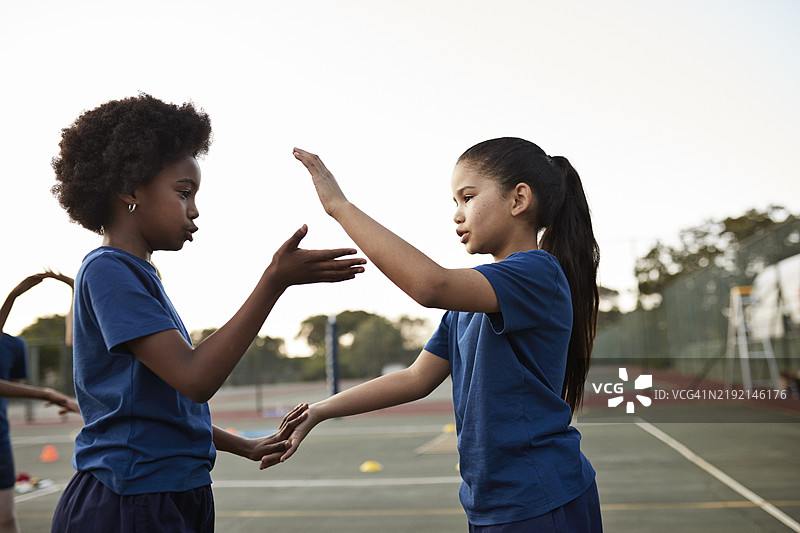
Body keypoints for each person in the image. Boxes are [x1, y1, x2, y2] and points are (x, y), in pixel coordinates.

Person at [48, 94, 366, 532]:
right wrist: (274, 281)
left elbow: (161, 409)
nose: (194, 209)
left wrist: (243, 445)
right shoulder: (108, 270)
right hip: (132, 496)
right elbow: (195, 379)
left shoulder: (137, 272)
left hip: (173, 489)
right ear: (129, 190)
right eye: (183, 193)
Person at [269, 139, 603, 531]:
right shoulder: (468, 303)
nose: (457, 214)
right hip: (491, 503)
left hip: (541, 499)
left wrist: (339, 207)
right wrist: (319, 411)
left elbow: (431, 286)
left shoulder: (538, 273)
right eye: (455, 202)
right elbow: (415, 378)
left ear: (519, 199)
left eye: (468, 197)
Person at [1, 272, 79, 533]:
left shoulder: (13, 345)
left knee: (6, 517)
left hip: (1, 436)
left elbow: (73, 338)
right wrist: (13, 296)